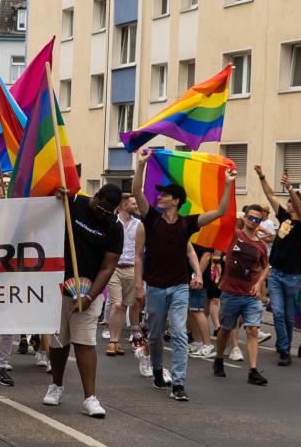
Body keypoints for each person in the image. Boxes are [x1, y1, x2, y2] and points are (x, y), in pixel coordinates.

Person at [131, 149, 232, 402]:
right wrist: (140, 165)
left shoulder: (187, 224)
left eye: (164, 194)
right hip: (154, 287)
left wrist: (229, 185)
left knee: (177, 333)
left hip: (179, 287)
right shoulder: (152, 219)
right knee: (154, 336)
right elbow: (136, 192)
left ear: (176, 200)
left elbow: (219, 212)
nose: (160, 196)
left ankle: (178, 383)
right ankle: (156, 370)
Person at [45, 183, 126, 418]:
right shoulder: (74, 203)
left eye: (109, 211)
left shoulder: (114, 227)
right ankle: (56, 385)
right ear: (95, 196)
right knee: (59, 340)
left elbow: (108, 266)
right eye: (100, 208)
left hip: (89, 289)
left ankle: (89, 398)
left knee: (85, 341)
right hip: (59, 284)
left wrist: (90, 296)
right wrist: (56, 197)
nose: (102, 214)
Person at [254, 165, 301, 365]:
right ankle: (285, 350)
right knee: (278, 312)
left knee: (288, 316)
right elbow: (270, 194)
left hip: (293, 276)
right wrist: (262, 176)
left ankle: (284, 344)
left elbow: (299, 208)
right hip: (276, 273)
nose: (287, 205)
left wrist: (290, 189)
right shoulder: (284, 217)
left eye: (290, 203)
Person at [211, 214, 274, 385]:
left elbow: (266, 266)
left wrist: (259, 283)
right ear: (245, 218)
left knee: (252, 330)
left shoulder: (260, 245)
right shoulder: (235, 235)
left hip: (250, 295)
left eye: (257, 220)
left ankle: (253, 371)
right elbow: (226, 220)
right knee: (225, 328)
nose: (253, 222)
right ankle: (218, 359)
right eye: (251, 218)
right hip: (231, 292)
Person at [104, 191, 142, 358]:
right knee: (116, 304)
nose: (136, 206)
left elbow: (140, 251)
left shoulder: (139, 224)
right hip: (114, 268)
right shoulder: (111, 222)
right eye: (133, 203)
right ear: (123, 205)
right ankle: (113, 341)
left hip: (132, 268)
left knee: (127, 305)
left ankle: (119, 340)